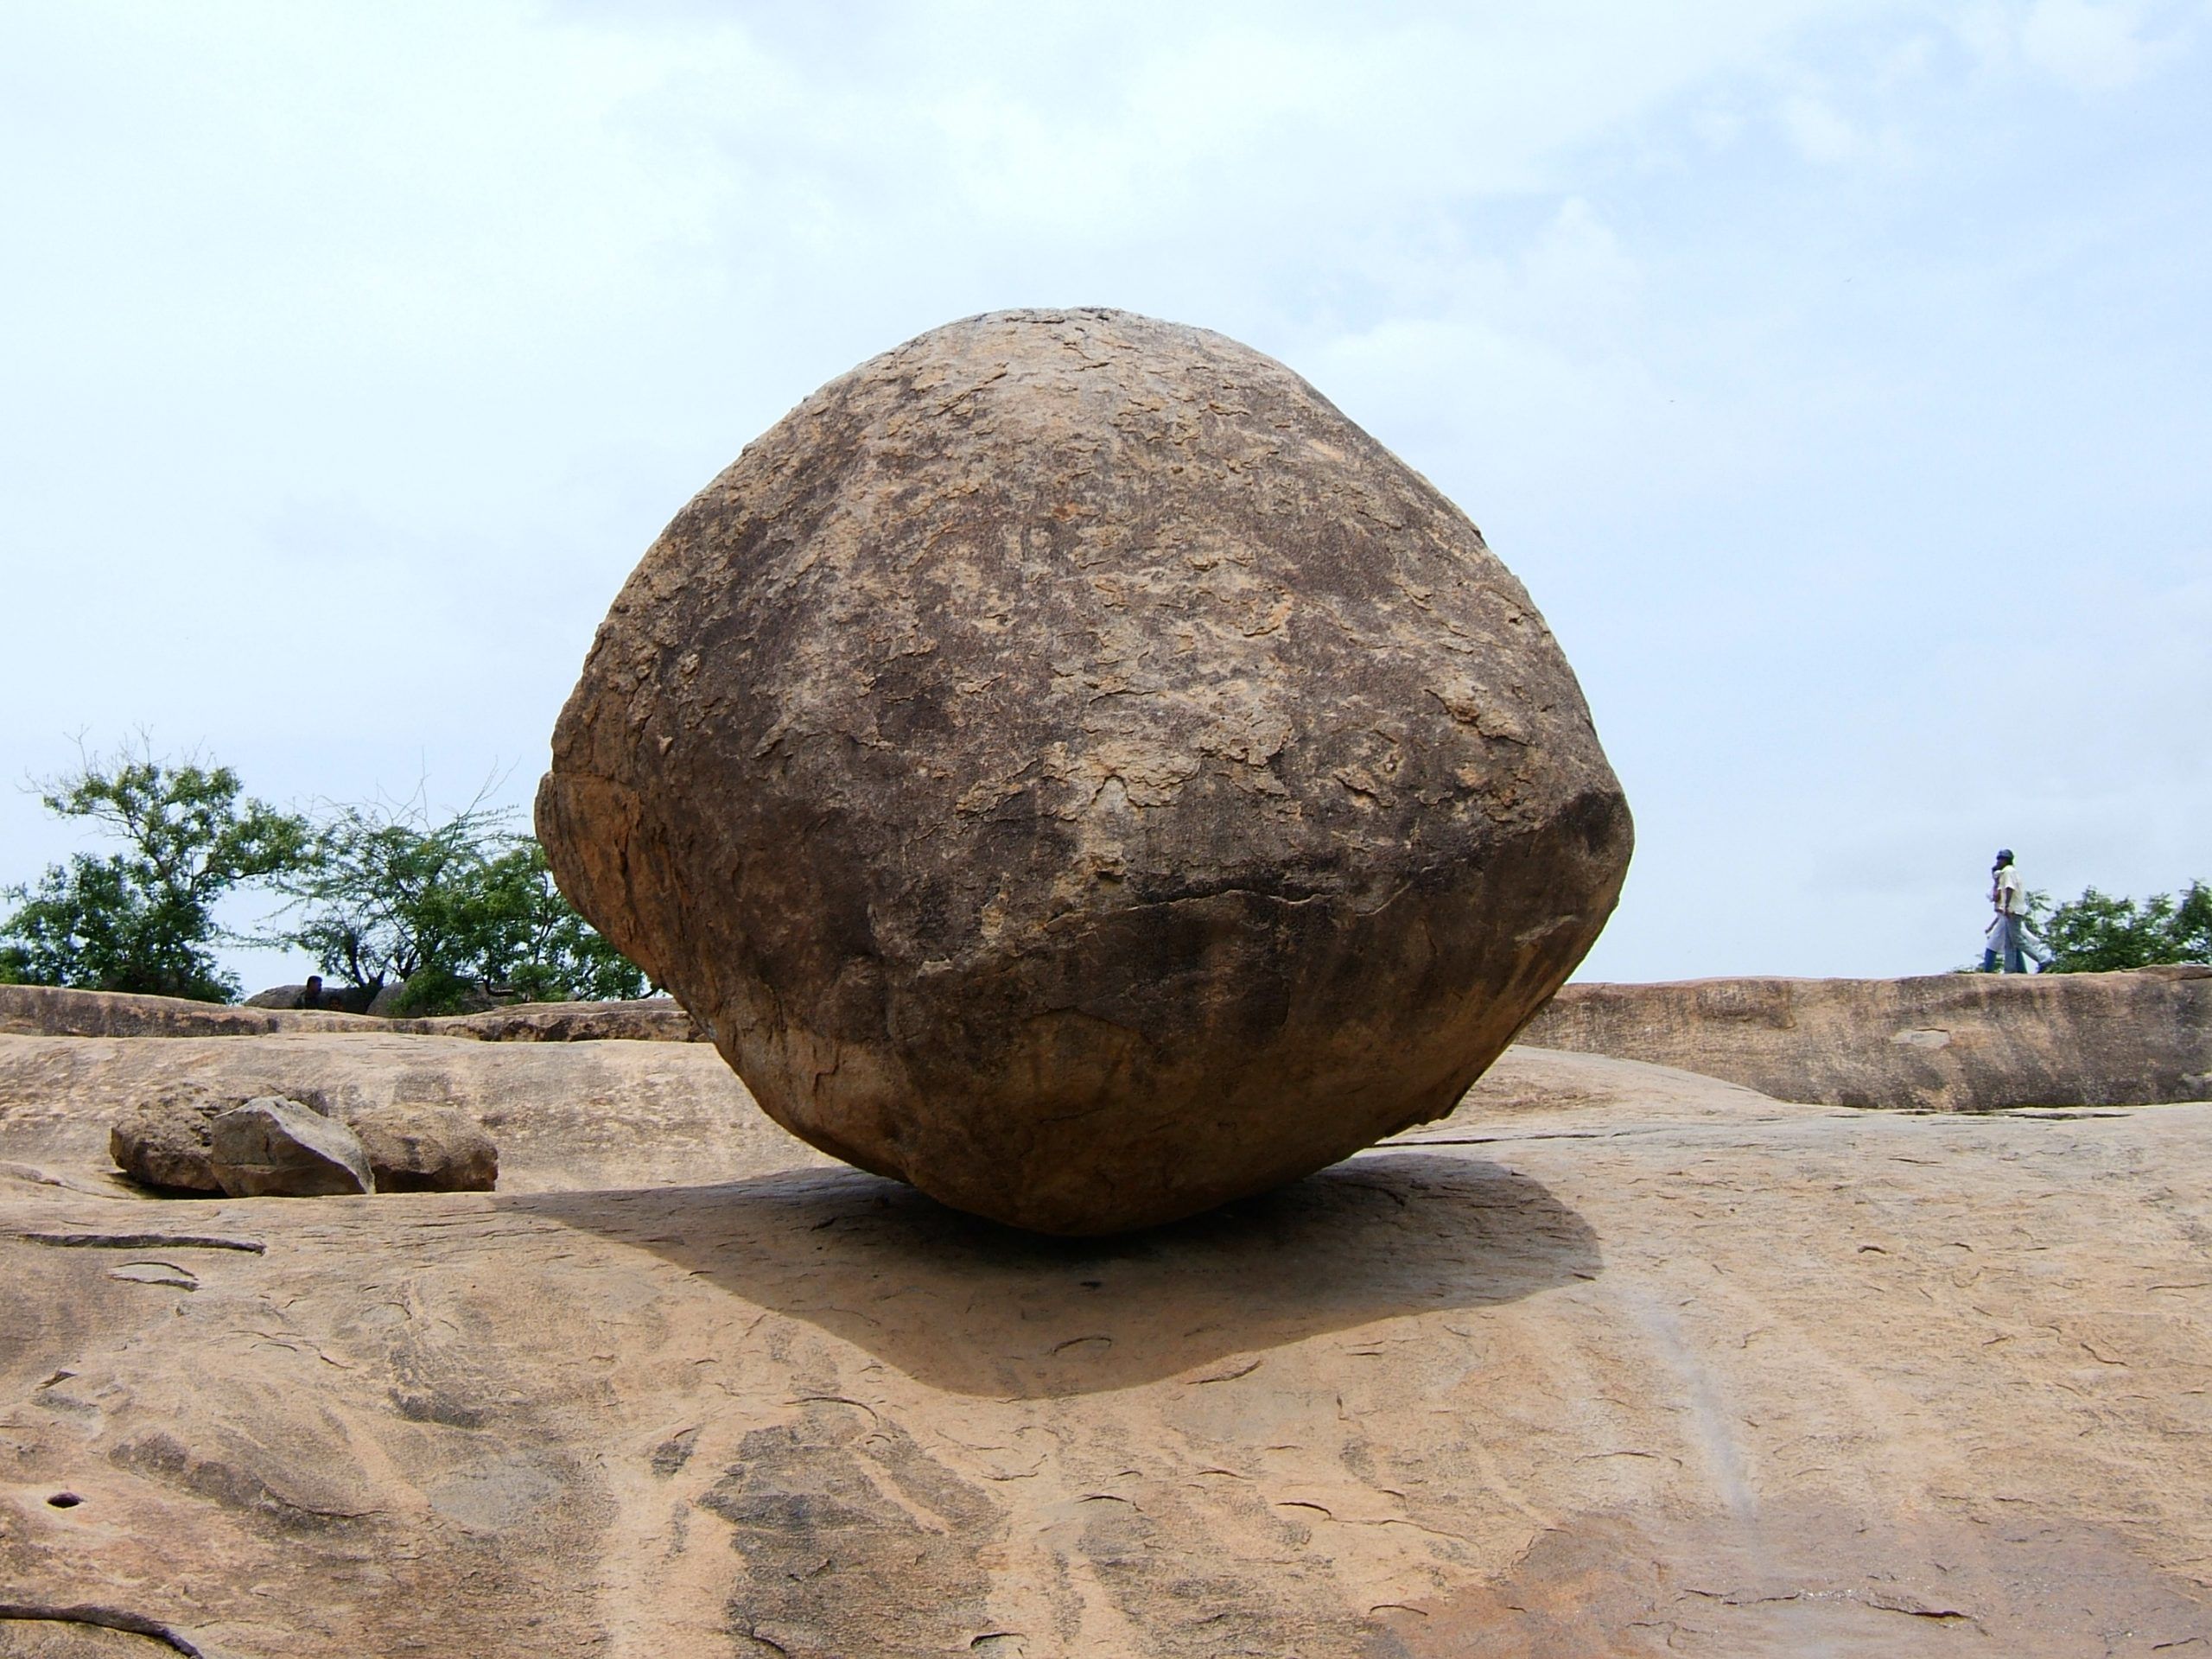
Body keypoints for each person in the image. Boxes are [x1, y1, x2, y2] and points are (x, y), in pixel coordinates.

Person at [1982, 849, 2034, 973]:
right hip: (2004, 916)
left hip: (2008, 915)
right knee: (2012, 944)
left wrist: (1997, 884)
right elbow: (1997, 907)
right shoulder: (2005, 880)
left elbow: (1997, 899)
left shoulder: (2007, 878)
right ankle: (2020, 971)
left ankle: (1987, 971)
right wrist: (1990, 926)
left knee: (1994, 945)